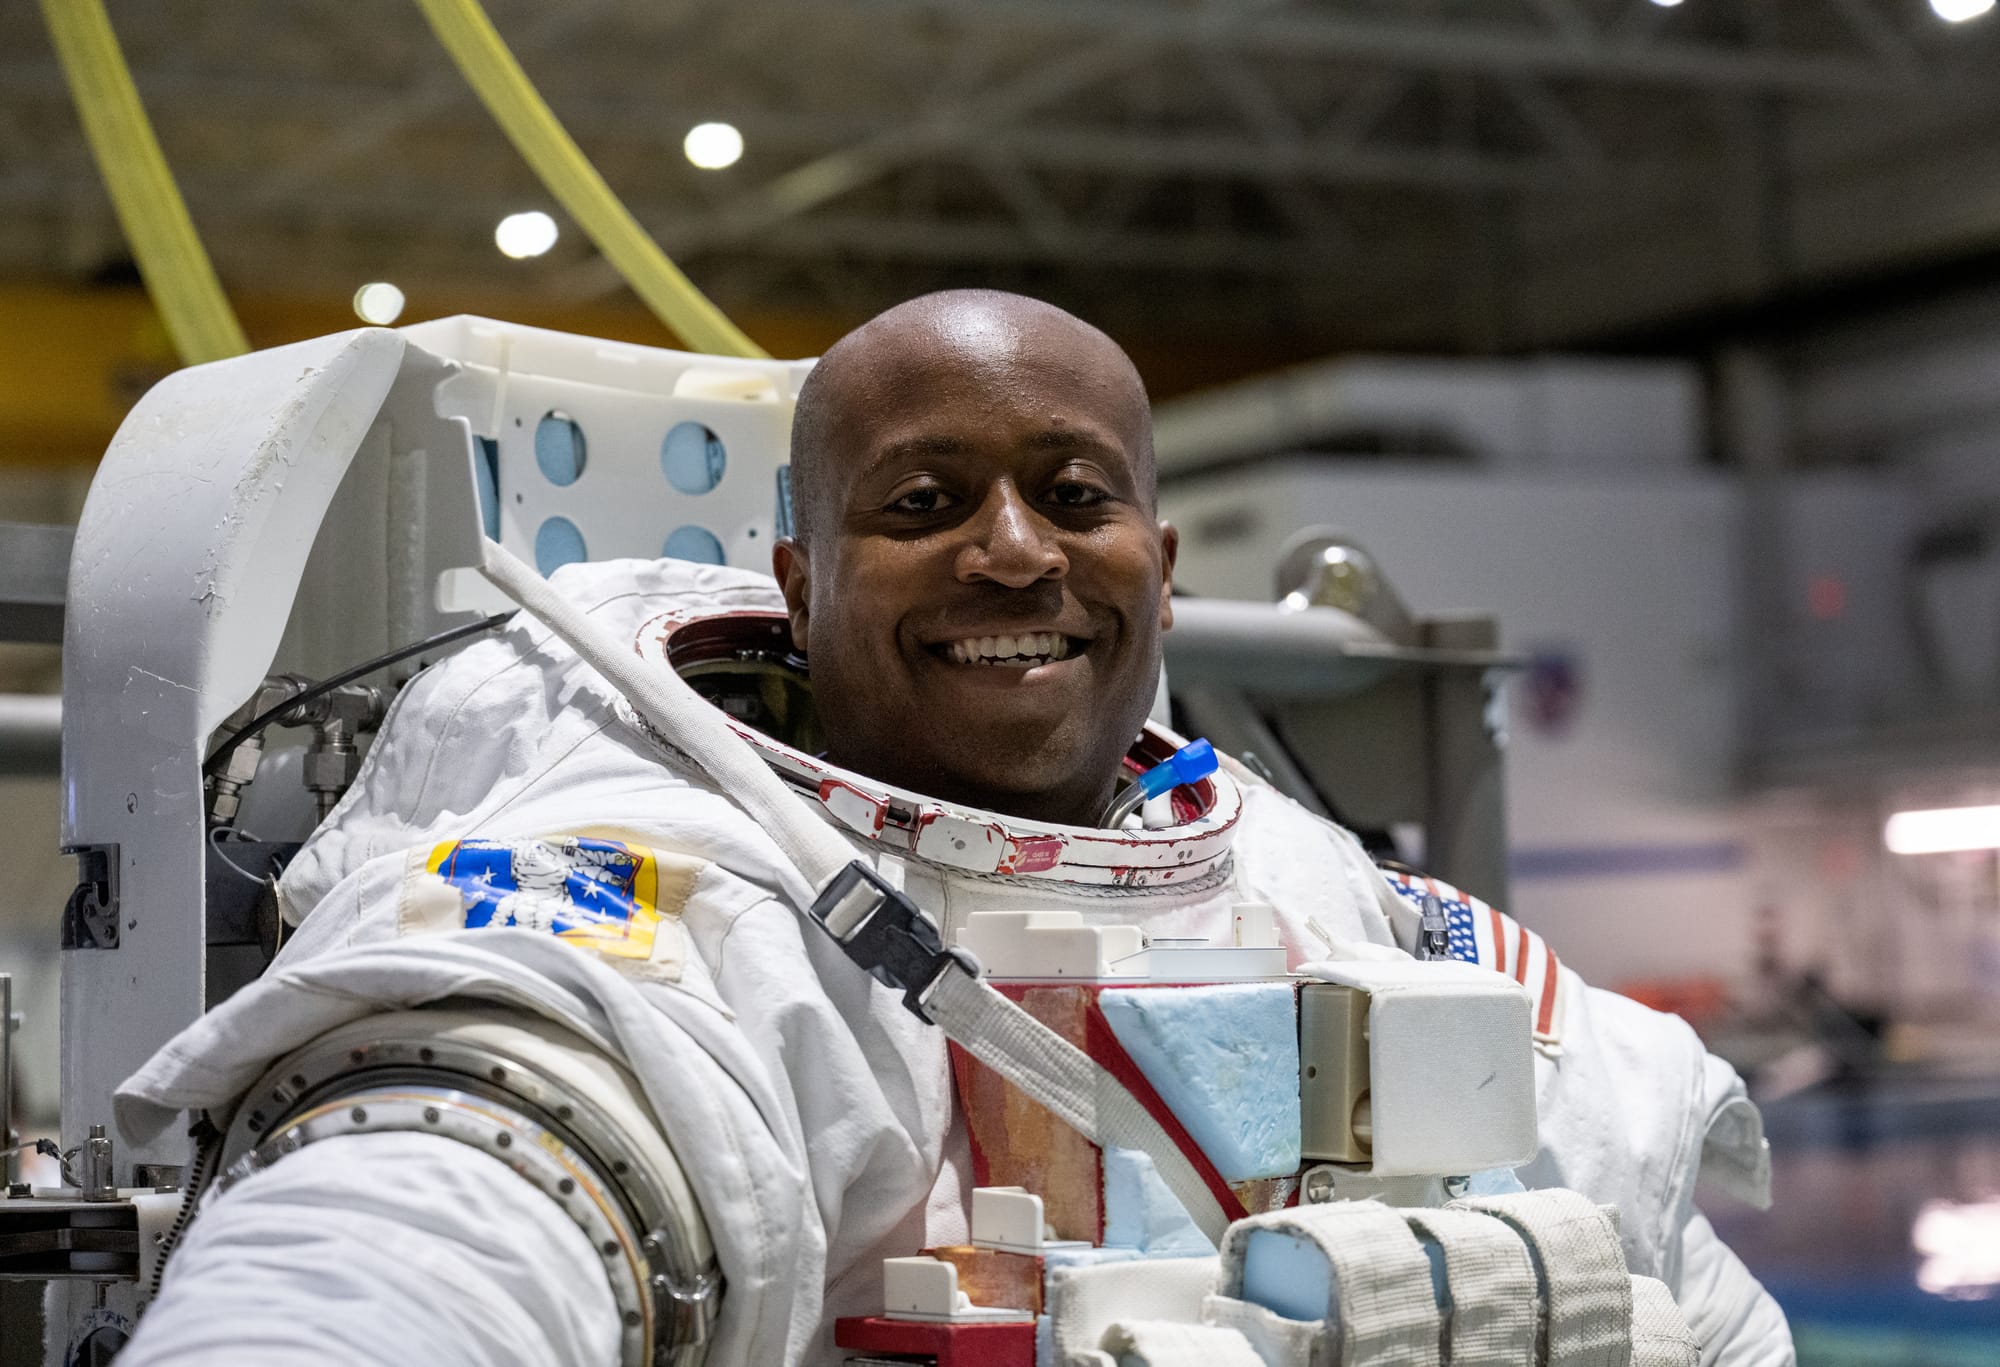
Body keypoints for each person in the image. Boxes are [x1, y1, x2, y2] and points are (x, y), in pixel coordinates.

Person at [114, 290, 1793, 1366]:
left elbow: (1684, 1302)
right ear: (798, 585)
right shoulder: (654, 888)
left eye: (1077, 498)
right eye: (921, 507)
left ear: (1160, 555)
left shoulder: (1310, 888)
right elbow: (424, 1230)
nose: (1014, 554)